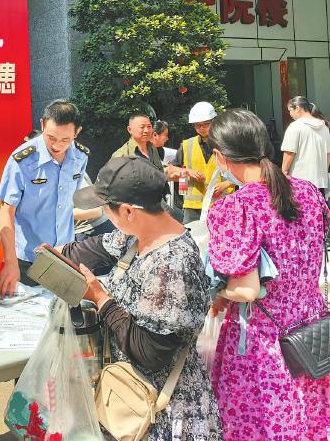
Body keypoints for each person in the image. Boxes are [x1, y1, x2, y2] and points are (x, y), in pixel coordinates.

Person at [206, 109, 330, 439]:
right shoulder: (308, 191)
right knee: (311, 421)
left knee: (266, 425)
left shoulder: (237, 205)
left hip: (266, 342)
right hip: (313, 334)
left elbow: (246, 291)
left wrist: (215, 289)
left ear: (221, 157)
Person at [60, 157, 221, 440]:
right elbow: (92, 250)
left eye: (106, 208)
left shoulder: (172, 264)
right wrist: (50, 255)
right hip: (129, 396)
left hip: (159, 411)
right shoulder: (136, 236)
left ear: (127, 211)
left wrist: (100, 298)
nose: (104, 215)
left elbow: (150, 352)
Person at [0, 100, 89, 286]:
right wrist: (10, 261)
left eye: (65, 140)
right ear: (42, 124)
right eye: (51, 137)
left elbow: (70, 204)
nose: (57, 145)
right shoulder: (22, 160)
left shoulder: (81, 157)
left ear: (77, 132)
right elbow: (7, 211)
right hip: (29, 258)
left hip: (65, 255)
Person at [281, 96, 330, 250]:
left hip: (299, 176)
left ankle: (307, 240)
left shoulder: (295, 127)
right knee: (321, 207)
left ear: (298, 108)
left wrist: (284, 171)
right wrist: (323, 171)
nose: (290, 114)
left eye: (290, 110)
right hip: (319, 176)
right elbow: (329, 154)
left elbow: (289, 152)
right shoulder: (324, 126)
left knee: (299, 209)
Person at [176, 102, 234, 225]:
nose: (202, 128)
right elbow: (176, 171)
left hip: (222, 205)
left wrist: (226, 184)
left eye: (206, 124)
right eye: (197, 125)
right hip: (193, 208)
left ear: (214, 122)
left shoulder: (227, 144)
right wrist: (187, 172)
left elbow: (243, 172)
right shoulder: (186, 145)